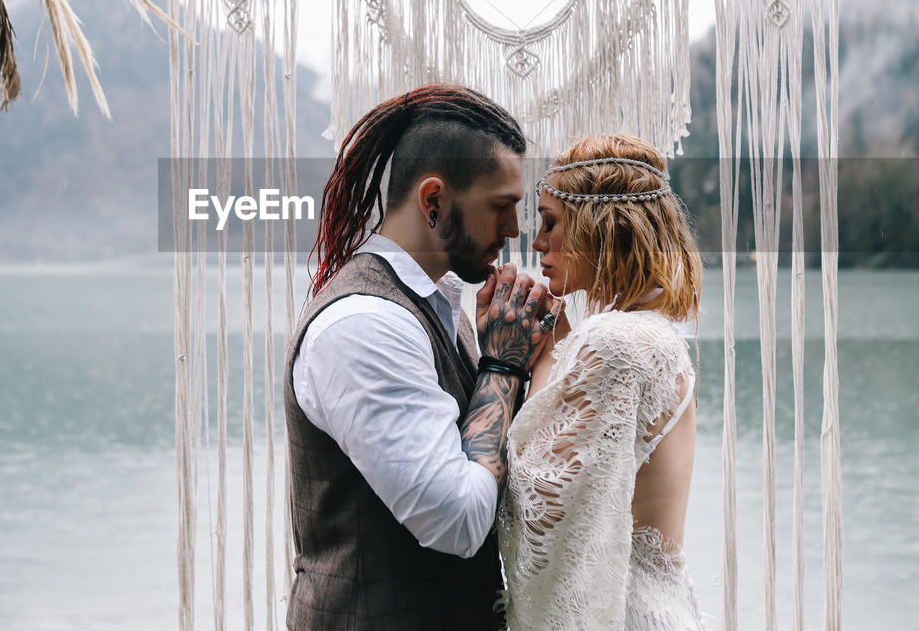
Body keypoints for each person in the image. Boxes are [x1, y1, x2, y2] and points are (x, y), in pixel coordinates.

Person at [284, 84, 556, 630]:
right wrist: (502, 367)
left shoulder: (441, 301)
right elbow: (458, 520)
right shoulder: (364, 325)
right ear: (432, 201)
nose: (514, 230)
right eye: (500, 207)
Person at [499, 133, 709, 630]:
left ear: (600, 228)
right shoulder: (653, 336)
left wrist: (518, 364)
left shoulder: (614, 341)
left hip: (622, 614)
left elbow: (540, 509)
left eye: (550, 223)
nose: (536, 242)